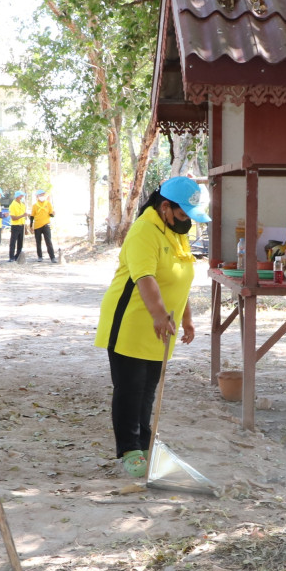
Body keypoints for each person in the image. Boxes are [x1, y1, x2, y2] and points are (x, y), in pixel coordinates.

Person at [94, 177, 204, 477]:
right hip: (132, 321)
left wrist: (186, 318)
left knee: (147, 390)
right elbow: (145, 277)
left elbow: (179, 280)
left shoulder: (175, 232)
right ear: (165, 206)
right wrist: (158, 314)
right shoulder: (144, 230)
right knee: (130, 388)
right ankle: (129, 450)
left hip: (161, 323)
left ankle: (145, 444)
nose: (187, 222)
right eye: (183, 214)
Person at [31, 190, 56, 262]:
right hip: (37, 225)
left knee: (48, 241)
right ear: (37, 196)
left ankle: (52, 257)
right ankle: (40, 256)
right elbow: (32, 216)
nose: (42, 196)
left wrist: (53, 214)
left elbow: (51, 214)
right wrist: (31, 225)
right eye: (40, 195)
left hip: (46, 224)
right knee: (38, 242)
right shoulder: (35, 205)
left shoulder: (48, 203)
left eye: (43, 195)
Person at [8, 189, 27, 261]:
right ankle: (11, 257)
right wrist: (22, 215)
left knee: (20, 242)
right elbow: (13, 218)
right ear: (18, 196)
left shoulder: (23, 205)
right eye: (21, 196)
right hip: (15, 226)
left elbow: (24, 216)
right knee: (13, 242)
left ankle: (18, 256)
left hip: (22, 225)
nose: (22, 197)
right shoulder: (12, 205)